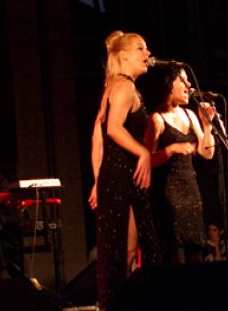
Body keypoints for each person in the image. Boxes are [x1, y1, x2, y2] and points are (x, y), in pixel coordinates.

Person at [88, 30, 161, 311]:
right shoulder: (124, 86)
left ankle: (123, 302)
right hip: (120, 176)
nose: (147, 54)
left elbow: (98, 139)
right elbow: (112, 130)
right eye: (141, 48)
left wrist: (99, 180)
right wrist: (142, 152)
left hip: (119, 177)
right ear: (123, 56)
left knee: (126, 249)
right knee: (120, 251)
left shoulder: (114, 86)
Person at [144, 64, 215, 264]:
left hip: (191, 191)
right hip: (169, 192)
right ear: (169, 84)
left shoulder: (189, 115)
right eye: (183, 80)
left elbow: (207, 153)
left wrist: (207, 127)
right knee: (177, 253)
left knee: (195, 253)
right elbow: (146, 160)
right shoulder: (157, 119)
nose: (189, 85)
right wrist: (171, 149)